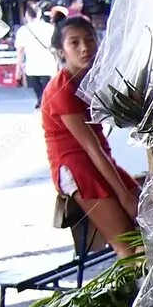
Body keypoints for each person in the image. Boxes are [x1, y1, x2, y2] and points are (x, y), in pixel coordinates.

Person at [40, 16, 142, 257]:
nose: (85, 48)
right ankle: (131, 291)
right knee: (127, 243)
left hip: (99, 160)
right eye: (74, 43)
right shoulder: (61, 89)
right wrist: (124, 195)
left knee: (146, 223)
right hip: (76, 167)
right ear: (61, 51)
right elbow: (90, 147)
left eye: (89, 40)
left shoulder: (89, 79)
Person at [14, 2, 56, 106]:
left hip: (32, 65)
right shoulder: (49, 28)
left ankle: (42, 104)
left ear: (27, 15)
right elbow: (56, 46)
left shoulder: (23, 30)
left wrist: (18, 69)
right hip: (48, 64)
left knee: (37, 89)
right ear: (39, 14)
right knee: (47, 88)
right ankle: (45, 105)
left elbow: (20, 52)